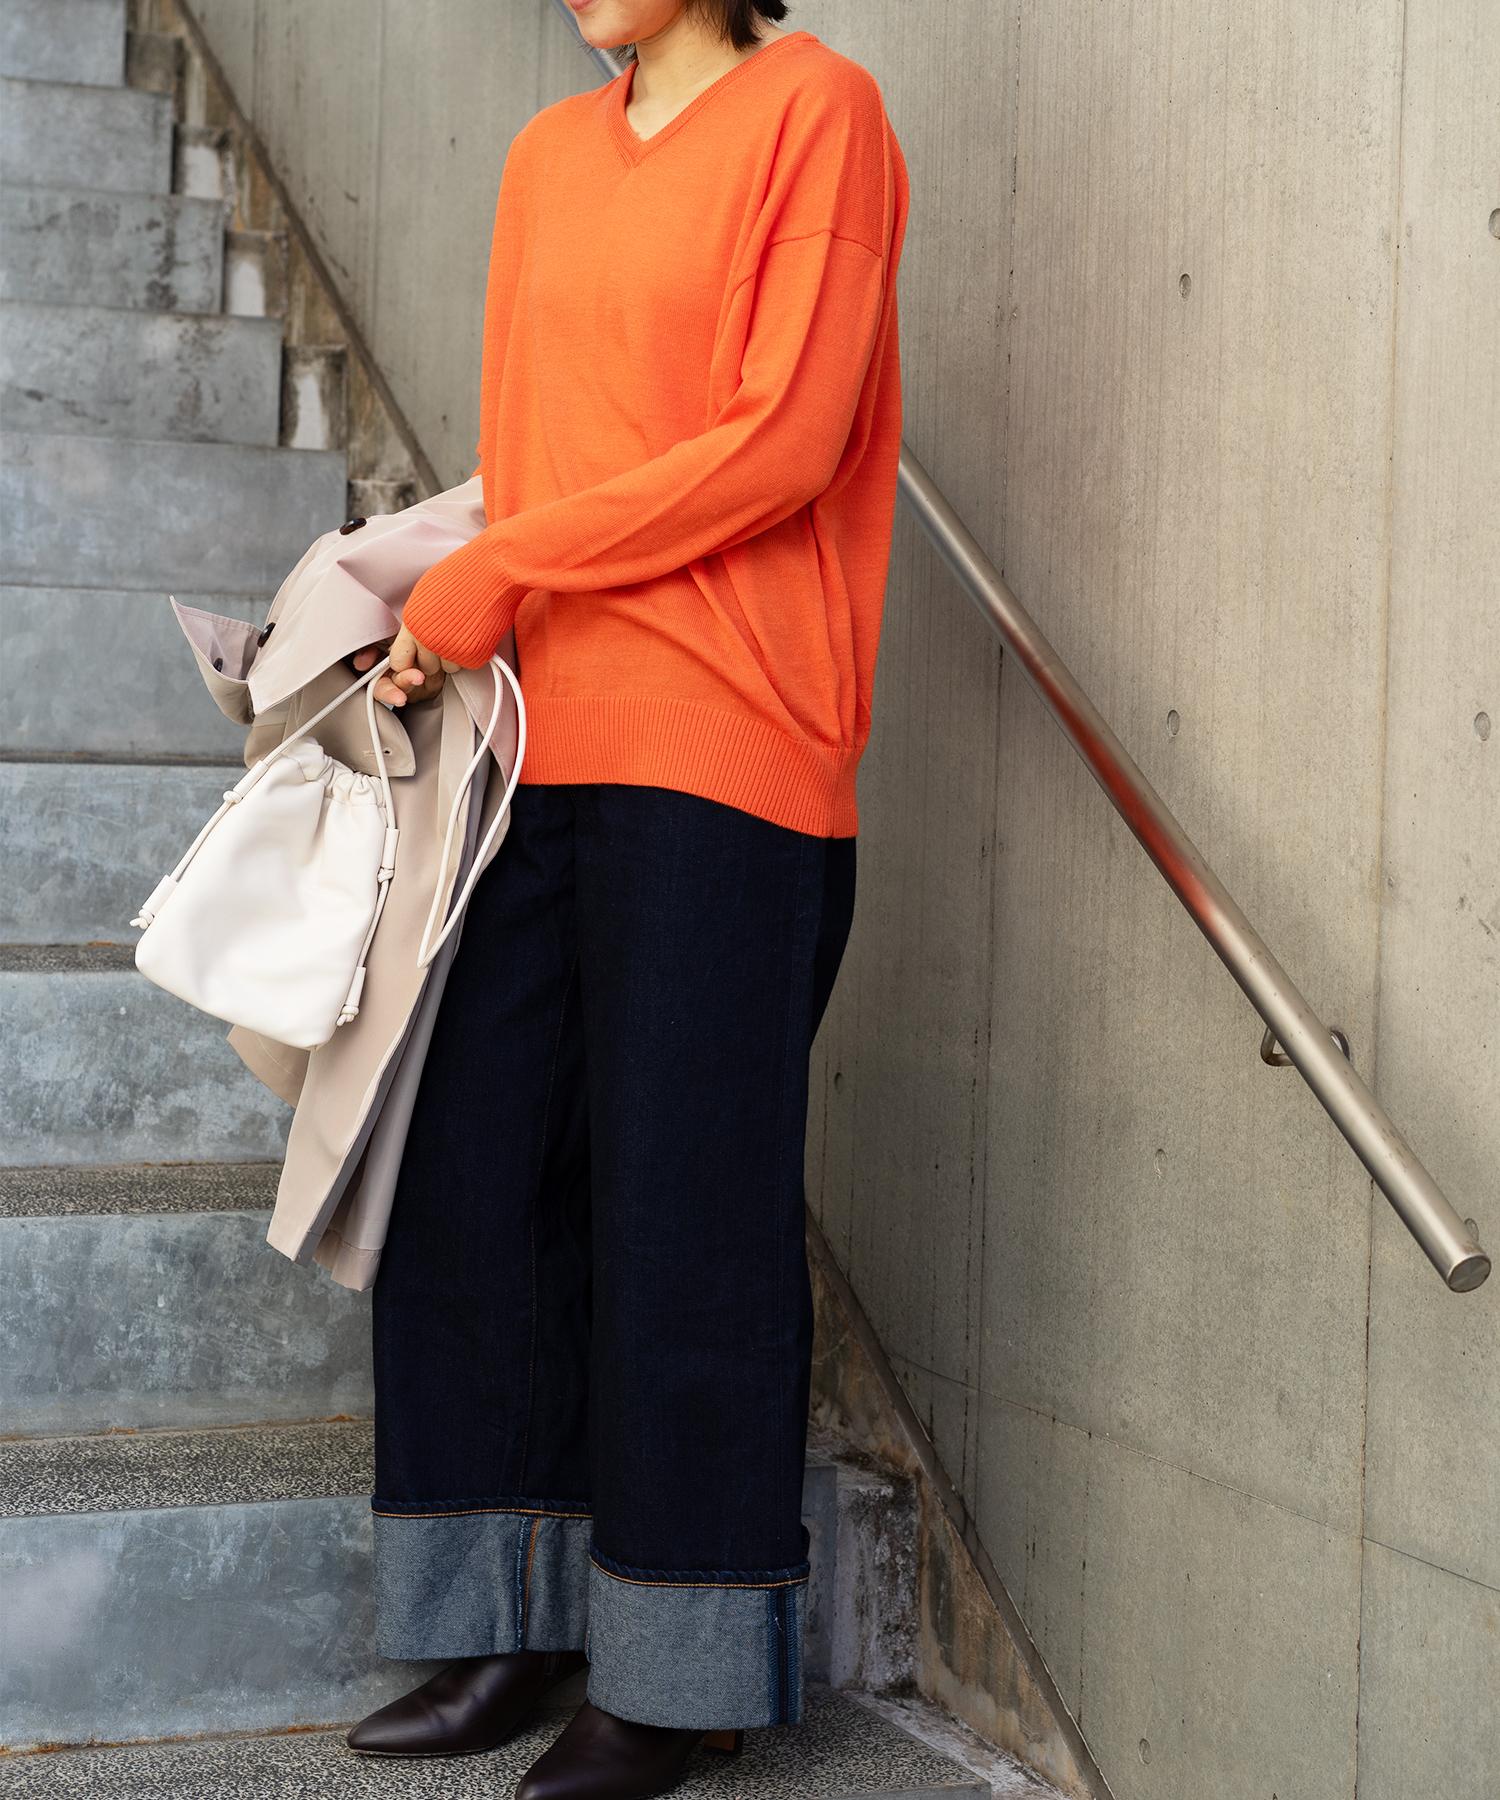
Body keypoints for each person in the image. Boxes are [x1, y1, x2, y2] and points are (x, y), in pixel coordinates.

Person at [342, 2, 909, 1794]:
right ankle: (507, 1619)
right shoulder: (542, 157)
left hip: (730, 739)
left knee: (686, 1207)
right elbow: (546, 462)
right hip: (534, 740)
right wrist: (449, 607)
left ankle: (679, 1675)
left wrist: (505, 566)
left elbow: (783, 442)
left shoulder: (818, 114)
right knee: (477, 1178)